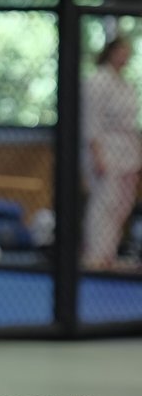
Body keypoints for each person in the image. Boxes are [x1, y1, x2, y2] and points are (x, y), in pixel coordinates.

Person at [81, 36, 141, 270]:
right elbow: (91, 120)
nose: (126, 57)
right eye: (122, 51)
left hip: (128, 148)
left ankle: (109, 253)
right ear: (112, 52)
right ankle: (96, 255)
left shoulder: (125, 84)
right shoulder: (97, 80)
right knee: (104, 201)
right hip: (106, 147)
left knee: (122, 204)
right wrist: (97, 154)